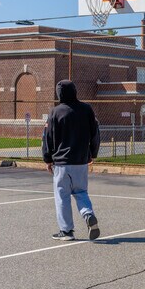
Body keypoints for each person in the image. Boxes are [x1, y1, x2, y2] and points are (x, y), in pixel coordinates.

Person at [42, 80, 101, 241]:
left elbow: (47, 138)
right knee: (81, 192)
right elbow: (95, 133)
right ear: (75, 91)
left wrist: (48, 159)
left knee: (62, 196)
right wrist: (92, 154)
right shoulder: (86, 109)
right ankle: (88, 214)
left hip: (61, 163)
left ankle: (66, 231)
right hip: (81, 161)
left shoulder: (55, 112)